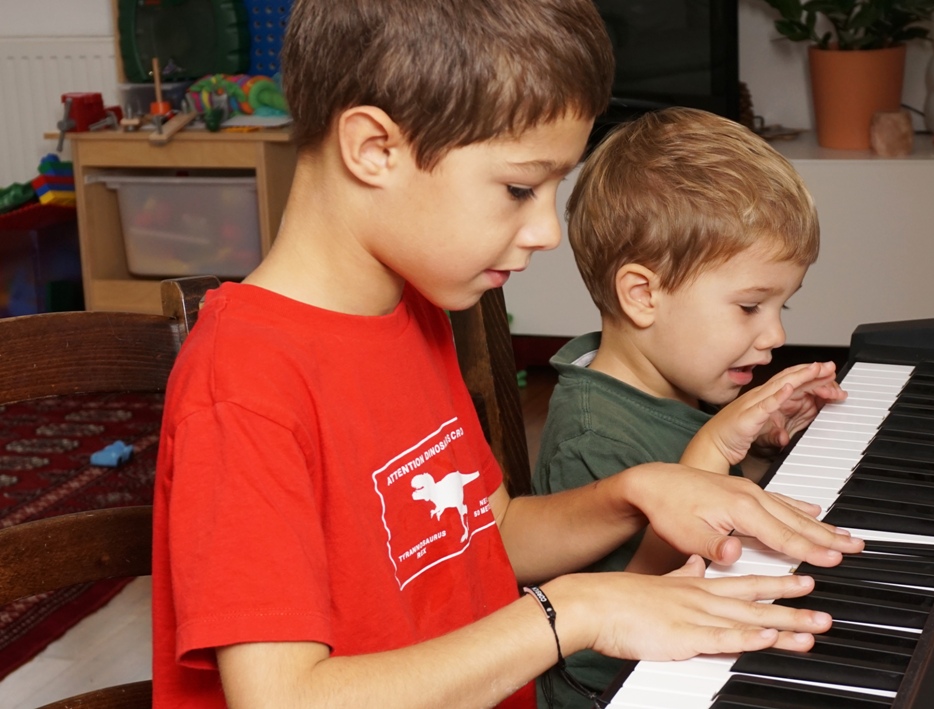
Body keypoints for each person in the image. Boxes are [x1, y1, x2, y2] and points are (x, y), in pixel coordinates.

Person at [151, 3, 864, 707]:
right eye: (521, 187)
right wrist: (575, 611)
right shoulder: (243, 384)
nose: (547, 230)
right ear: (374, 149)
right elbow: (283, 699)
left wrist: (636, 490)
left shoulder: (415, 314)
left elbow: (487, 534)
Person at [532, 106, 848, 707]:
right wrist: (711, 448)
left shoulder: (672, 385)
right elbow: (614, 644)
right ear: (643, 295)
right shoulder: (592, 439)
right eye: (750, 307)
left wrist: (756, 438)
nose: (776, 335)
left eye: (784, 306)